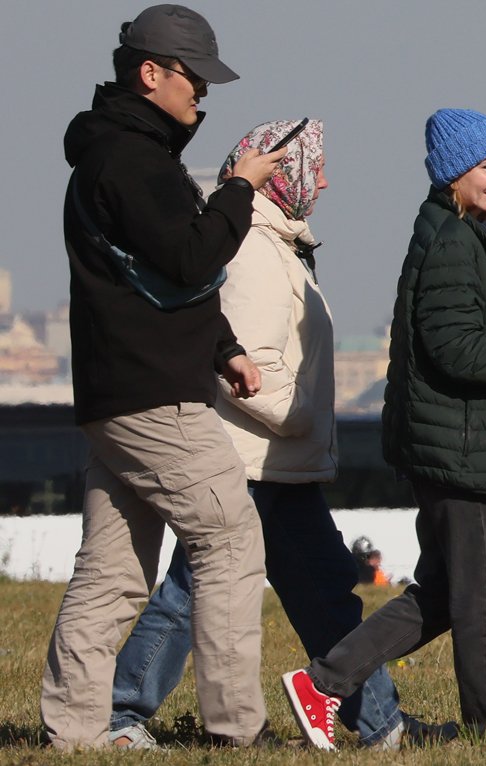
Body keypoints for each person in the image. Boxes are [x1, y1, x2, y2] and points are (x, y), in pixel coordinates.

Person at [105, 120, 455, 750]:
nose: (322, 180)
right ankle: (122, 714)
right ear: (281, 172)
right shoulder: (252, 250)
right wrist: (304, 419)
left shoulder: (279, 243)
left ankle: (382, 724)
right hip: (248, 460)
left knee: (325, 594)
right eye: (312, 167)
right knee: (194, 591)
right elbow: (246, 367)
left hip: (278, 465)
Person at [281, 108, 486, 751]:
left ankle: (323, 685)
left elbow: (475, 332)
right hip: (462, 444)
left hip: (460, 439)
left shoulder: (465, 235)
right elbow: (456, 349)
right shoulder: (454, 241)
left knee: (451, 593)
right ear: (455, 170)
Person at [42, 5, 287, 749]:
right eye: (194, 80)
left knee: (114, 574)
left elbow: (157, 279)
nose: (202, 97)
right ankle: (235, 730)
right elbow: (189, 259)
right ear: (151, 73)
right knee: (232, 543)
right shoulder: (133, 162)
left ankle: (74, 730)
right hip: (154, 397)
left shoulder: (118, 156)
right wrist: (240, 190)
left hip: (118, 395)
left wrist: (223, 349)